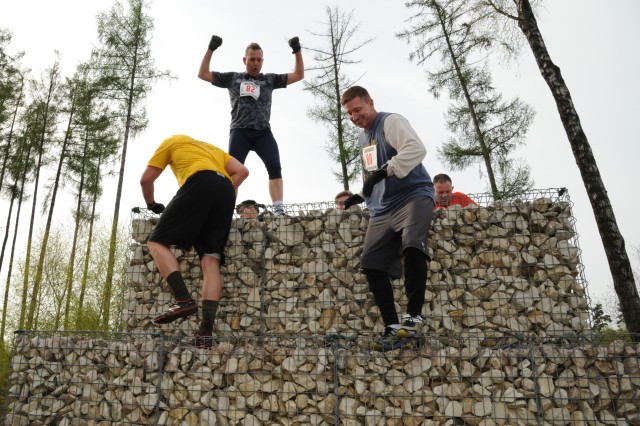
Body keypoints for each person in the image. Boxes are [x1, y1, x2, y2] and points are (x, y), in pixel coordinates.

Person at [340, 86, 435, 350]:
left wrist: (385, 171)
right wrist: (359, 195)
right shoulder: (362, 139)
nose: (354, 116)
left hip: (413, 195)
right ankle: (392, 326)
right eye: (349, 113)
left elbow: (416, 149)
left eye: (358, 109)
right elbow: (373, 175)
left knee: (412, 244)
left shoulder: (391, 122)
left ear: (370, 103)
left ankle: (414, 316)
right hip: (382, 208)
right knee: (371, 263)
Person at [140, 134, 249, 348]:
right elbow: (242, 171)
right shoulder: (212, 149)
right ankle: (205, 333)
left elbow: (146, 180)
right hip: (226, 190)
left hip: (200, 181)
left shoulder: (171, 141)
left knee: (156, 242)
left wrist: (152, 204)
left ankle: (182, 299)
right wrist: (222, 190)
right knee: (210, 260)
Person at [198, 34, 304, 216]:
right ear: (244, 60)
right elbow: (203, 74)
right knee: (232, 172)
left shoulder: (269, 80)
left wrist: (297, 51)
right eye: (252, 60)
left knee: (275, 166)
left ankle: (279, 210)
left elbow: (298, 75)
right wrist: (211, 49)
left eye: (259, 60)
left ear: (262, 61)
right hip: (240, 131)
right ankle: (226, 210)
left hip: (263, 132)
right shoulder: (232, 78)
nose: (255, 63)